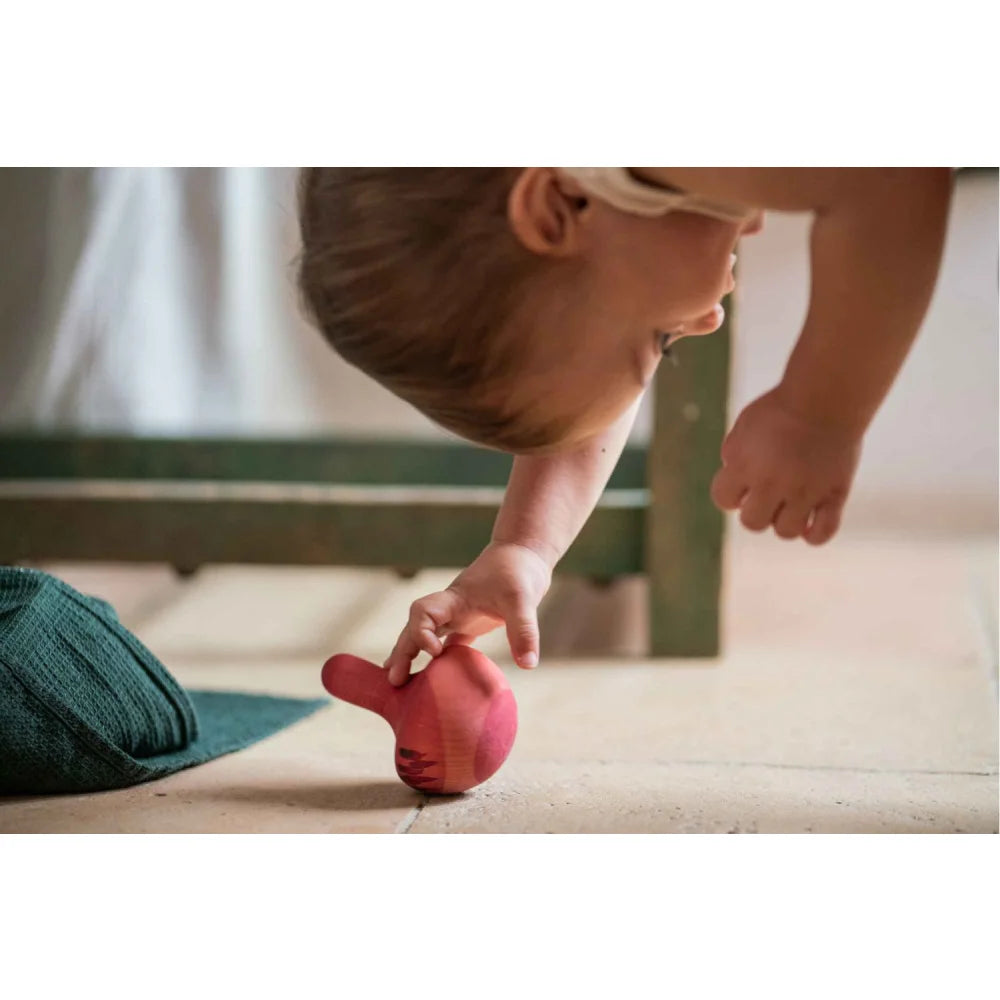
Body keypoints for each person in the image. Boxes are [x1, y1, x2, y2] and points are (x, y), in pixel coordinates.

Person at [297, 167, 953, 684]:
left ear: (557, 206)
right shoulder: (594, 187)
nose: (704, 324)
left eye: (655, 341)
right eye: (665, 343)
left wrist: (820, 415)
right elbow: (587, 386)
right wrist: (525, 546)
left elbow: (893, 174)